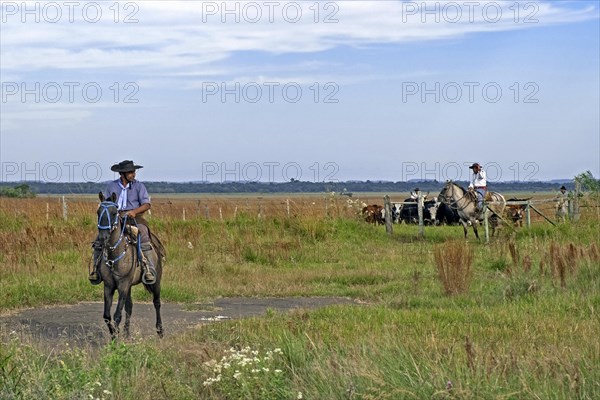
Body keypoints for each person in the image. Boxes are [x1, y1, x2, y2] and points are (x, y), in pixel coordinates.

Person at [89, 160, 157, 285]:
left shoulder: (139, 186)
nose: (133, 174)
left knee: (143, 232)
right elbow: (106, 203)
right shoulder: (112, 186)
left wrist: (134, 212)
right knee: (99, 239)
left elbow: (147, 204)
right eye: (130, 172)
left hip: (134, 218)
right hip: (115, 218)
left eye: (134, 172)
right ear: (122, 174)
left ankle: (149, 268)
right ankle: (96, 270)